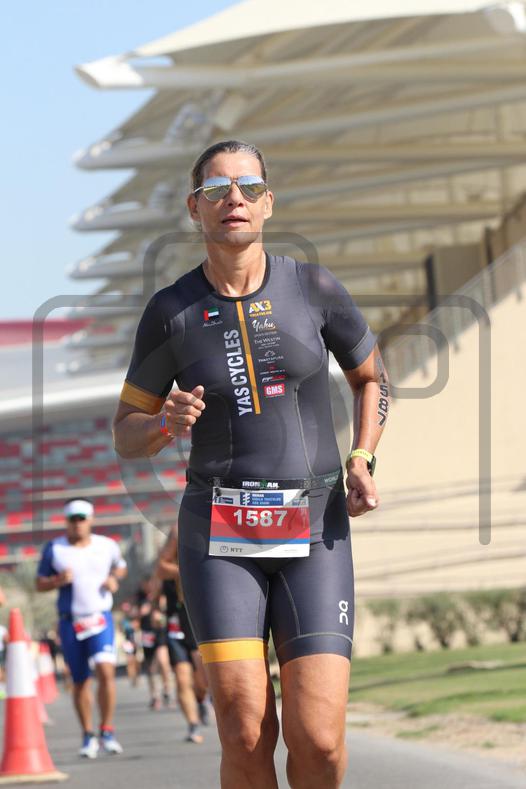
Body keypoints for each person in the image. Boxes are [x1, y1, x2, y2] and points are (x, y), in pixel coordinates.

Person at [113, 140, 389, 788]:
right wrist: (163, 424)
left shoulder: (313, 287)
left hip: (315, 531)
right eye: (216, 190)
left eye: (248, 187)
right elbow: (125, 433)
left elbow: (372, 378)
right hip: (218, 538)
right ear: (195, 209)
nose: (233, 199)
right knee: (243, 731)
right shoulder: (170, 311)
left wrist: (362, 456)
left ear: (268, 203)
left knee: (319, 741)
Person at [36, 498, 127, 759]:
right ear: (66, 522)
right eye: (72, 519)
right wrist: (57, 580)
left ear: (90, 520)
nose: (77, 524)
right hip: (70, 621)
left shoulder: (106, 545)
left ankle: (107, 730)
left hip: (100, 619)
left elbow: (121, 567)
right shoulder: (55, 548)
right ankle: (88, 734)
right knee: (80, 681)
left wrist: (113, 579)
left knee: (106, 671)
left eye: (81, 519)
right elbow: (39, 583)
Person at [156, 527, 209, 741]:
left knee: (202, 681)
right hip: (176, 623)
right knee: (181, 677)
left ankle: (201, 699)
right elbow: (159, 572)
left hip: (198, 620)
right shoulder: (177, 535)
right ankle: (193, 725)